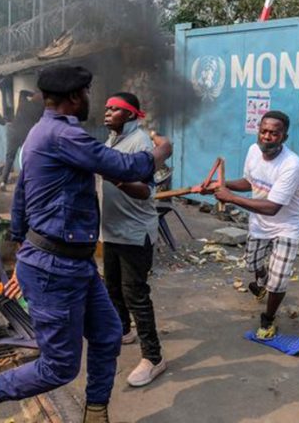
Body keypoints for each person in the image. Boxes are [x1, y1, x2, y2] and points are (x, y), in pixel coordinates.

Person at [0, 65, 173, 423]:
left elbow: (21, 197)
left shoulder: (42, 134)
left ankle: (96, 412)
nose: (90, 100)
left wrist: (23, 248)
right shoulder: (62, 136)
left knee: (108, 333)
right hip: (56, 268)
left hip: (72, 263)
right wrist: (162, 151)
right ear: (74, 97)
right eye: (86, 94)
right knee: (59, 367)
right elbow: (126, 166)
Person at [208, 110, 299, 339]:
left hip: (287, 225)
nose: (267, 136)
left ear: (284, 137)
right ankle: (262, 282)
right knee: (252, 264)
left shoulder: (291, 165)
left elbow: (273, 207)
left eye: (274, 133)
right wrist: (221, 185)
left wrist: (230, 198)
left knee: (279, 278)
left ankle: (268, 319)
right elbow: (248, 182)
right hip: (260, 222)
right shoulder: (253, 151)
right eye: (263, 131)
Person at [99, 92, 166, 387]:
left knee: (135, 294)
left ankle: (153, 358)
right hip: (111, 229)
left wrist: (116, 176)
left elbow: (145, 191)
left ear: (130, 114)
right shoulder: (111, 140)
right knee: (112, 286)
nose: (107, 112)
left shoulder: (140, 144)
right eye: (106, 108)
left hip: (134, 233)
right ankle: (125, 329)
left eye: (115, 109)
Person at [0, 90, 43, 191]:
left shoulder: (23, 103)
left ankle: (3, 182)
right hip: (25, 135)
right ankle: (27, 184)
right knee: (26, 159)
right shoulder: (40, 109)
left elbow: (22, 92)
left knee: (9, 158)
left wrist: (33, 94)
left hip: (13, 133)